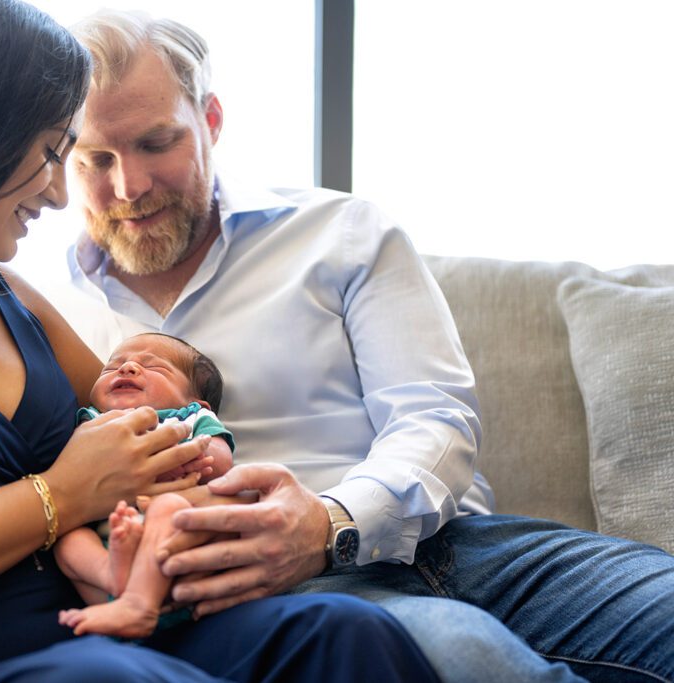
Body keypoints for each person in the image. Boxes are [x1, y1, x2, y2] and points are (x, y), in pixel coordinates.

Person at [0, 1, 441, 682]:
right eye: (54, 151)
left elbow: (146, 432)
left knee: (341, 630)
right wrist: (57, 496)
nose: (60, 193)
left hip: (100, 636)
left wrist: (201, 480)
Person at [60, 9, 674, 683]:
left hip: (464, 547)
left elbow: (433, 416)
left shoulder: (341, 232)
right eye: (97, 158)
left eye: (156, 142)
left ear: (209, 121)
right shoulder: (56, 318)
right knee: (472, 660)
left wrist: (330, 523)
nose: (130, 186)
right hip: (303, 598)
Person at [55, 332, 235, 637]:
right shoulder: (92, 419)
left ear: (194, 399)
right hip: (111, 550)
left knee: (169, 506)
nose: (127, 368)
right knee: (66, 540)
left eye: (155, 367)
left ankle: (139, 603)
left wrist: (170, 462)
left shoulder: (188, 417)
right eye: (112, 367)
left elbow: (220, 460)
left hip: (176, 554)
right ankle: (113, 578)